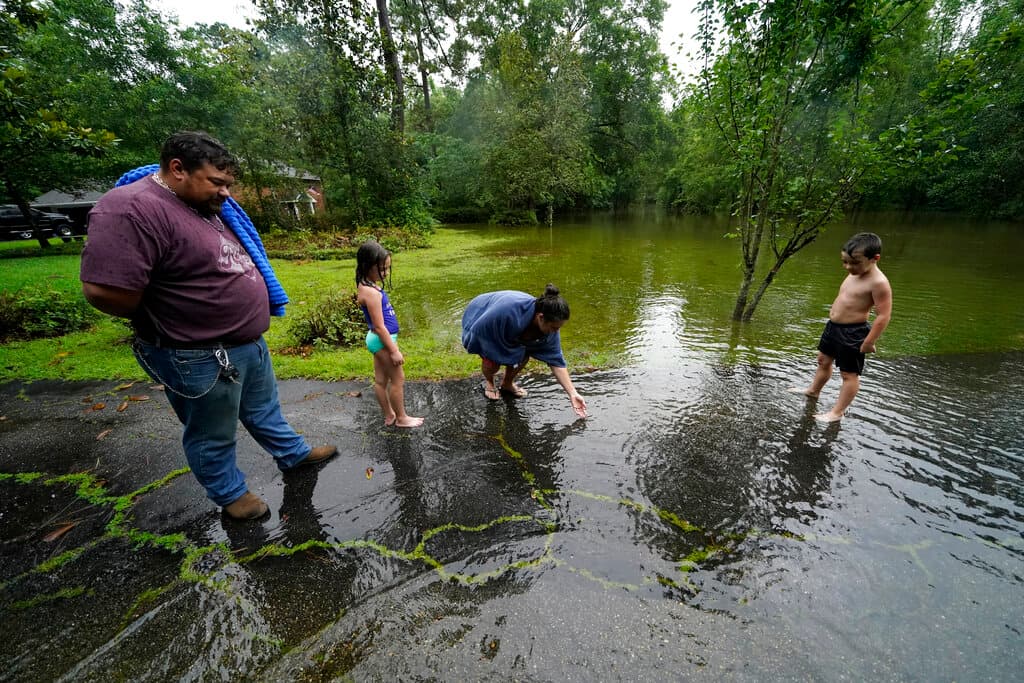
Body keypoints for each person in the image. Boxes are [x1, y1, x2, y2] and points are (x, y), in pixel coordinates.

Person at [79, 131, 338, 521]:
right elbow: (105, 291)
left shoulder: (202, 206)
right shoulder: (132, 209)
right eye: (217, 183)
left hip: (247, 343)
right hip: (198, 353)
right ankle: (231, 494)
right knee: (211, 433)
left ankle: (293, 454)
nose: (226, 194)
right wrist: (178, 315)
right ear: (177, 169)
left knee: (265, 410)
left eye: (228, 185)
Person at [791, 232, 893, 422]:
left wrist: (869, 341)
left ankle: (837, 412)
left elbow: (883, 315)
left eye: (854, 263)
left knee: (848, 374)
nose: (848, 267)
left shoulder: (879, 283)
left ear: (875, 258)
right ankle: (813, 391)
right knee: (822, 360)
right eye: (845, 262)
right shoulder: (854, 273)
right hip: (833, 327)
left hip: (853, 333)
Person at [462, 285, 588, 418]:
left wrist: (573, 393)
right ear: (540, 317)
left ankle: (507, 384)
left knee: (522, 357)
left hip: (512, 324)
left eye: (559, 328)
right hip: (482, 313)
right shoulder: (505, 313)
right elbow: (478, 333)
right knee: (492, 363)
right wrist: (495, 353)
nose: (556, 332)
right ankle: (489, 382)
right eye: (554, 327)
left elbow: (556, 361)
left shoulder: (549, 327)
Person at [355, 240, 424, 428]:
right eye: (382, 269)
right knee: (398, 379)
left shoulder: (366, 285)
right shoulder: (371, 293)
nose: (385, 273)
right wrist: (393, 350)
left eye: (387, 269)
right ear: (367, 266)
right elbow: (379, 326)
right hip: (382, 340)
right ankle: (401, 418)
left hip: (378, 340)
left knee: (380, 380)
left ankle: (389, 415)